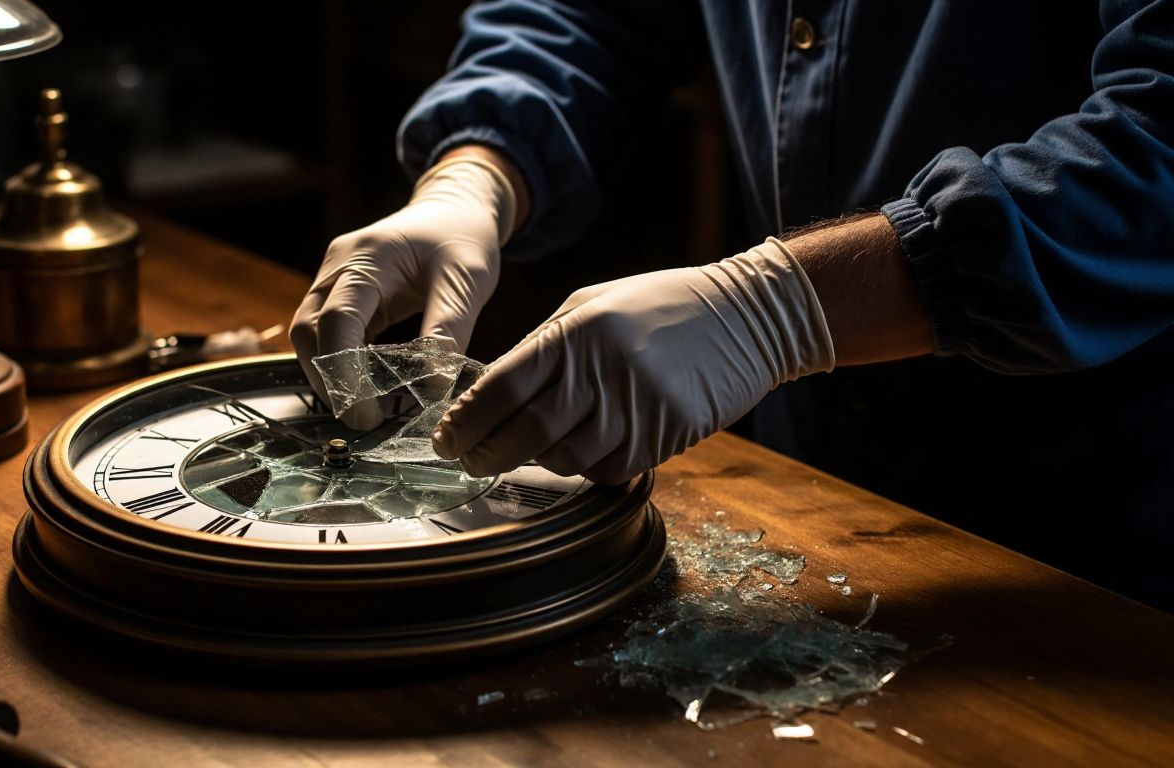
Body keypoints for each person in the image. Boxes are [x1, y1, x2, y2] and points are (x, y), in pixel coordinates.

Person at [291, 1, 1174, 610]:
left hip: (1107, 550)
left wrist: (784, 306)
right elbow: (588, 18)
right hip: (813, 494)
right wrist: (474, 173)